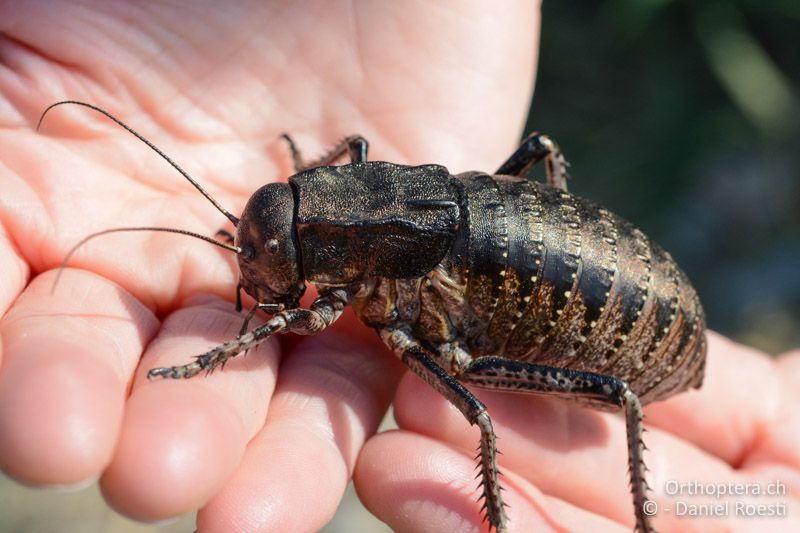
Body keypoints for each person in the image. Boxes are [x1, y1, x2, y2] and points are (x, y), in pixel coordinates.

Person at [0, 2, 797, 531]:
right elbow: (346, 162)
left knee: (583, 399)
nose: (254, 267)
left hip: (628, 318)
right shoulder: (351, 209)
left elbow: (322, 325)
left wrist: (220, 352)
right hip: (505, 230)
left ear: (329, 228)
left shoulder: (365, 266)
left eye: (267, 251)